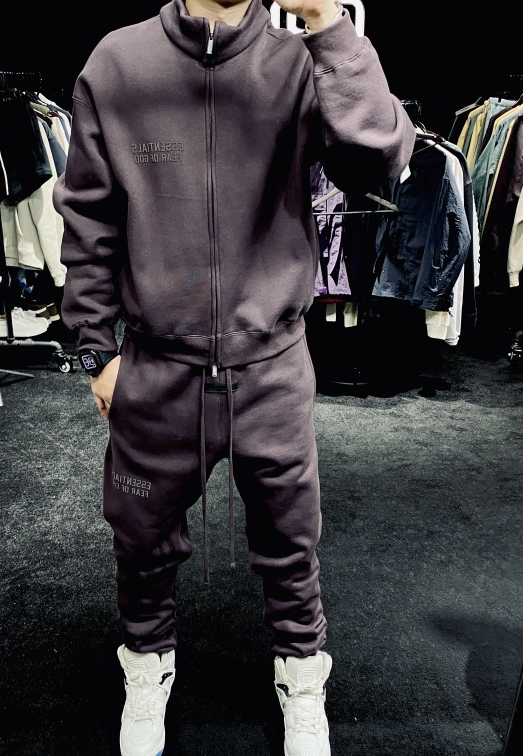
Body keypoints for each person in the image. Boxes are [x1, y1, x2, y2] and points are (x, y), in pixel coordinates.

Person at [53, 1, 415, 753]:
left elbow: (380, 161)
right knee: (140, 539)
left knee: (291, 540)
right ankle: (146, 664)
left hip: (271, 365)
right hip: (157, 368)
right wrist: (95, 350)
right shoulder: (118, 64)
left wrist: (329, 26)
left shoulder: (297, 63)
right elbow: (88, 217)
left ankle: (302, 674)